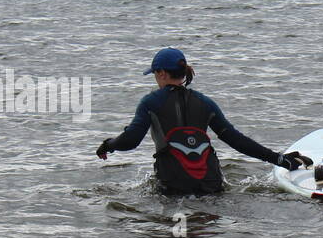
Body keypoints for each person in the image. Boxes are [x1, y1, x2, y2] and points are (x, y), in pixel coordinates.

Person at [95, 48, 306, 195]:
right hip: (210, 183)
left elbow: (131, 140)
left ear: (161, 73)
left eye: (154, 73)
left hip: (174, 186)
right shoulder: (205, 102)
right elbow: (236, 140)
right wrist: (279, 159)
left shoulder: (150, 102)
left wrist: (108, 144)